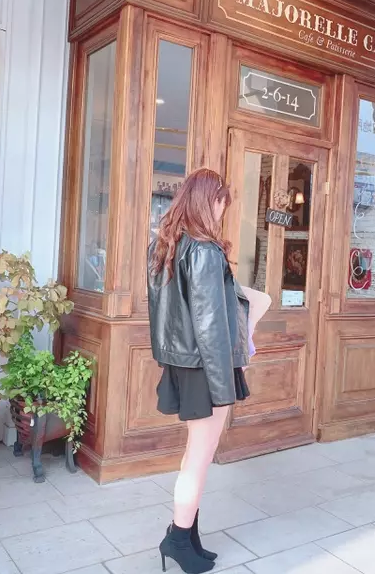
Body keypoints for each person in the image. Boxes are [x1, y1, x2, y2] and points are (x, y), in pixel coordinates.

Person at [147, 168, 251, 574]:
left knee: (196, 454)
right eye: (223, 202)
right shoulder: (204, 251)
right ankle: (177, 539)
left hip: (184, 363)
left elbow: (165, 315)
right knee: (198, 458)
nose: (224, 210)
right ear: (212, 201)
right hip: (207, 366)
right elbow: (209, 326)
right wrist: (224, 385)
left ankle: (188, 535)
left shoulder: (166, 245)